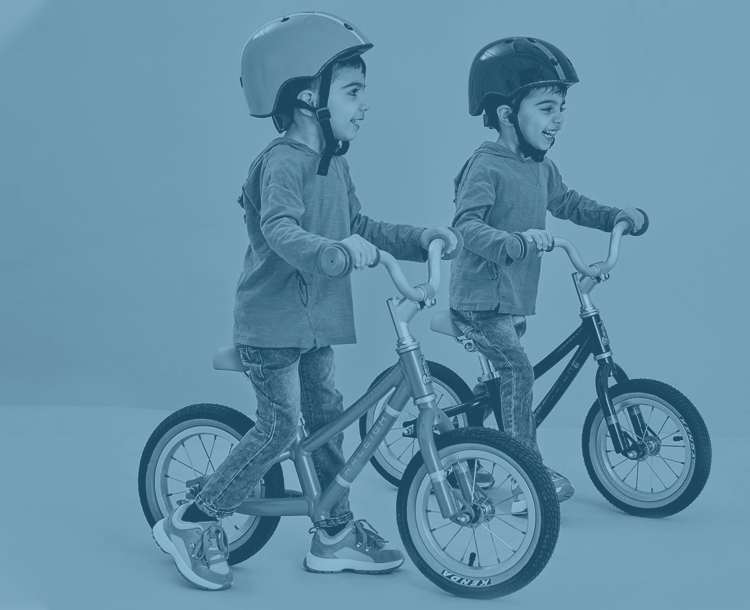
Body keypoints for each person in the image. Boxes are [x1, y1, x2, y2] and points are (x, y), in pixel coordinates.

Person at [151, 12, 459, 591]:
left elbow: (359, 224)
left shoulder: (333, 163)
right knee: (279, 426)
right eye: (352, 91)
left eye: (361, 91)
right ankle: (192, 521)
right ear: (303, 98)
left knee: (326, 421)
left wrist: (419, 239)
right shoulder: (280, 164)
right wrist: (336, 254)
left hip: (316, 326)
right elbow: (282, 232)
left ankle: (333, 532)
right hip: (270, 325)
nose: (363, 104)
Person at [447, 37, 649, 502]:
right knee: (518, 372)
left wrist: (615, 216)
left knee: (502, 378)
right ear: (506, 114)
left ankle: (477, 450)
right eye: (546, 107)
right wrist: (514, 243)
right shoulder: (485, 166)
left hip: (512, 298)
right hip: (479, 300)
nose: (557, 118)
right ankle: (525, 475)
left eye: (561, 107)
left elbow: (568, 203)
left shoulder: (540, 167)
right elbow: (466, 227)